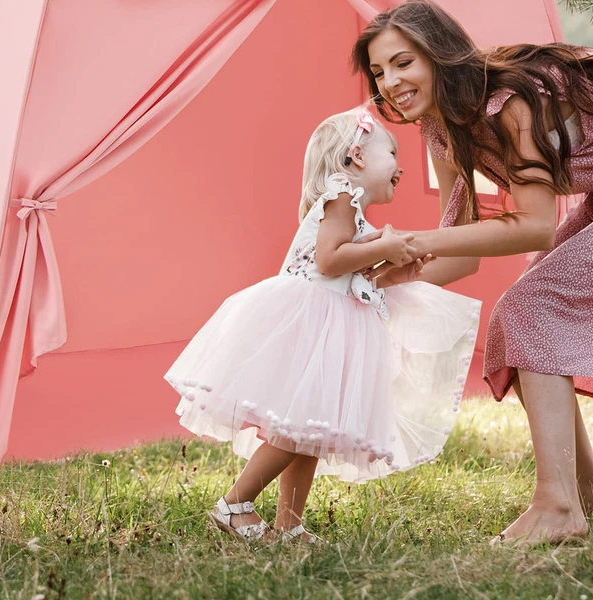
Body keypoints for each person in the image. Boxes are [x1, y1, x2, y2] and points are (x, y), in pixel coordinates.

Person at [351, 0, 593, 546]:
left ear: (439, 56)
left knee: (531, 306)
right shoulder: (441, 129)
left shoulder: (509, 103)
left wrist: (409, 242)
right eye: (378, 71)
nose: (389, 81)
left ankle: (557, 506)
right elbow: (462, 255)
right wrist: (376, 284)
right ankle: (591, 506)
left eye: (402, 63)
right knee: (521, 317)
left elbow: (533, 226)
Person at [165, 106, 481, 543]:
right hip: (312, 325)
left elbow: (353, 277)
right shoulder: (340, 196)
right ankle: (234, 504)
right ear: (356, 158)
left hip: (330, 326)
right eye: (391, 152)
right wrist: (384, 245)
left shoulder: (354, 214)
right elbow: (329, 261)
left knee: (309, 430)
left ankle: (289, 525)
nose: (401, 165)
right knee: (295, 428)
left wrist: (392, 268)